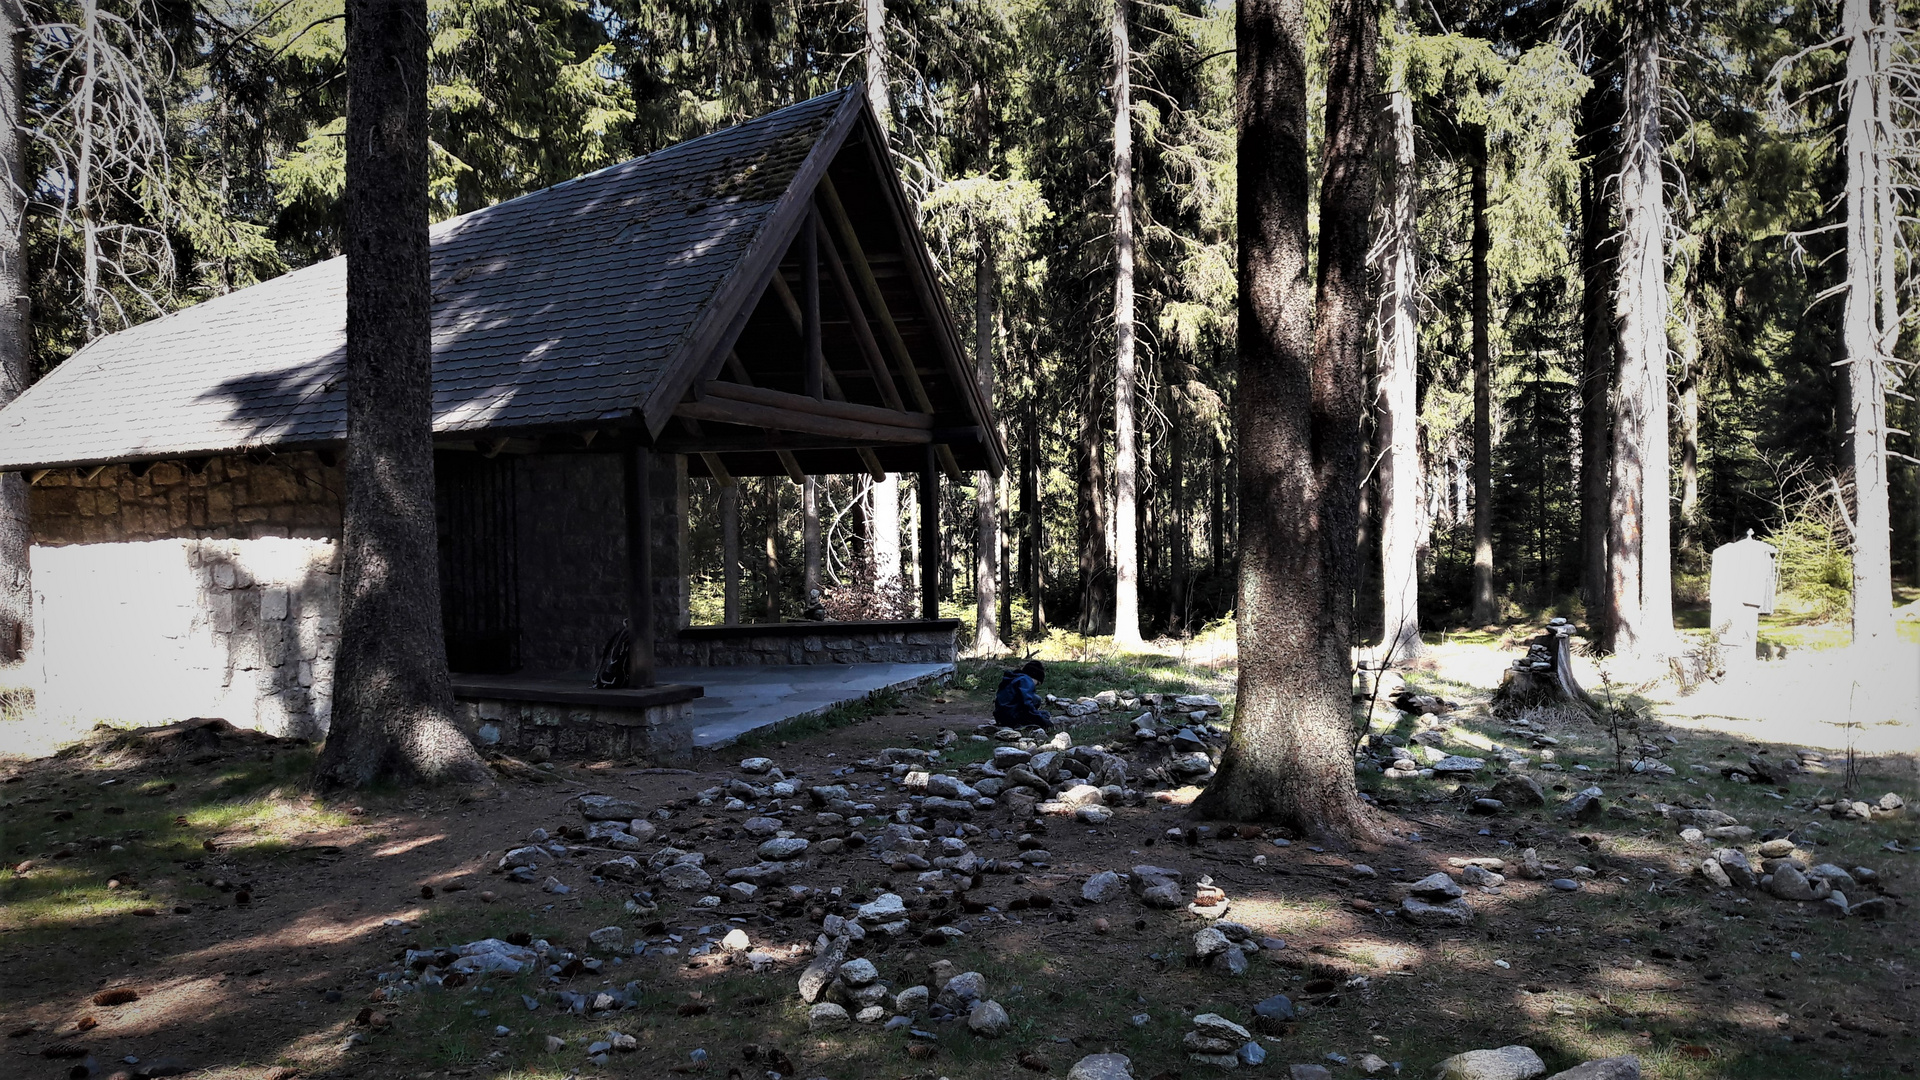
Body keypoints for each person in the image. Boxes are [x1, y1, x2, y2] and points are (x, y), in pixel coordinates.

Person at [993, 660, 1050, 727]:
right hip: (1012, 717)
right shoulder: (1026, 680)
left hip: (1000, 716)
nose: (1035, 686)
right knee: (1044, 712)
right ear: (1035, 677)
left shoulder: (1013, 678)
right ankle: (1022, 724)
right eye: (1037, 683)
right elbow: (1027, 703)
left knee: (1039, 708)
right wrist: (1042, 720)